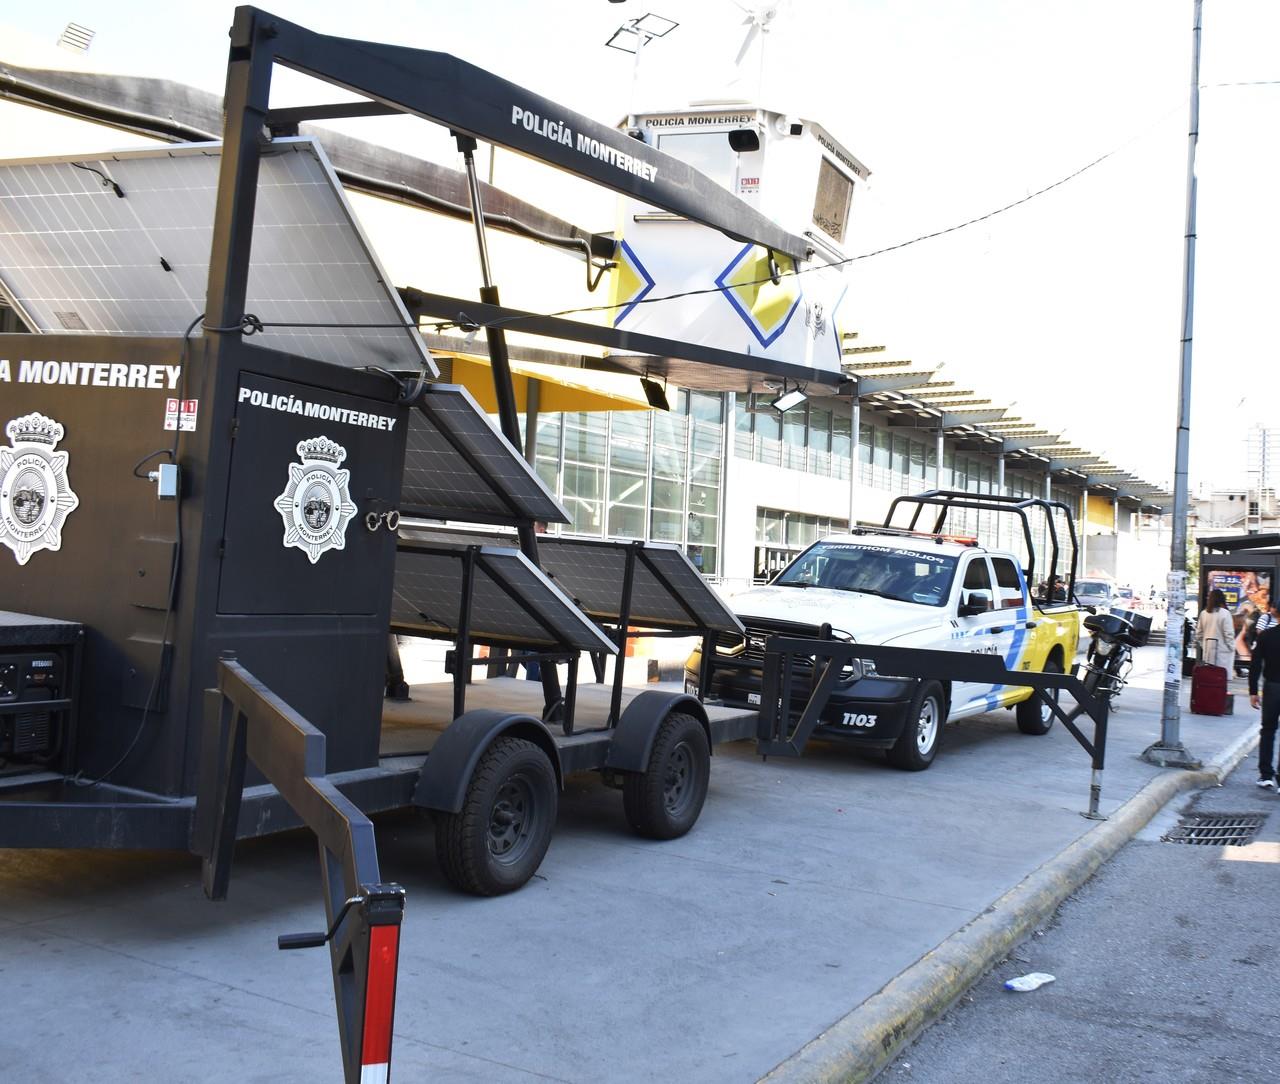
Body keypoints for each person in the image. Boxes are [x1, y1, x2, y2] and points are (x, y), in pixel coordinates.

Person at [1248, 600, 1280, 790]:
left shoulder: (1266, 636)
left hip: (1272, 688)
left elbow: (1256, 664)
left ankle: (1265, 774)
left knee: (1268, 729)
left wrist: (1253, 691)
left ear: (1275, 612)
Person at [1195, 588, 1235, 669]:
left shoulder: (1204, 613)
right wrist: (1232, 648)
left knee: (1209, 677)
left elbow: (1198, 634)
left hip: (1208, 653)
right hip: (1223, 652)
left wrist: (1205, 645)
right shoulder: (1225, 613)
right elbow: (1229, 634)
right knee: (1221, 677)